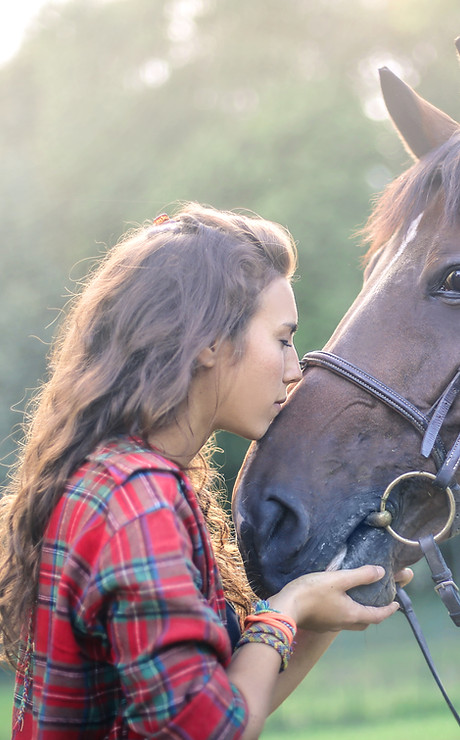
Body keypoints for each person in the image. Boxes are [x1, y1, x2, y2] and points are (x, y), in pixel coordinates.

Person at [0, 203, 412, 739]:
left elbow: (228, 702)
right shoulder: (137, 500)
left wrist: (321, 607)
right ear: (209, 341)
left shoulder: (127, 482)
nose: (295, 370)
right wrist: (285, 610)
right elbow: (210, 730)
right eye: (283, 339)